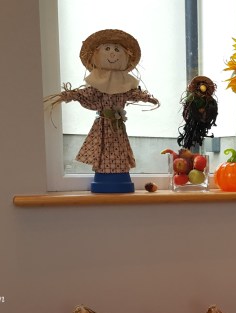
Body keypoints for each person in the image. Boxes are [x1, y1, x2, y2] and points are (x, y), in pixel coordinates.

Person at [48, 29, 159, 193]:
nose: (113, 54)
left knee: (120, 149)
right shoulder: (97, 83)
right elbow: (88, 95)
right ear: (96, 54)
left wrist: (146, 98)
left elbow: (132, 93)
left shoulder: (125, 82)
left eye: (117, 49)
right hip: (103, 126)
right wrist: (72, 95)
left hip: (118, 126)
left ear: (126, 55)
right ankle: (105, 177)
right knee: (104, 148)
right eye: (107, 49)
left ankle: (120, 176)